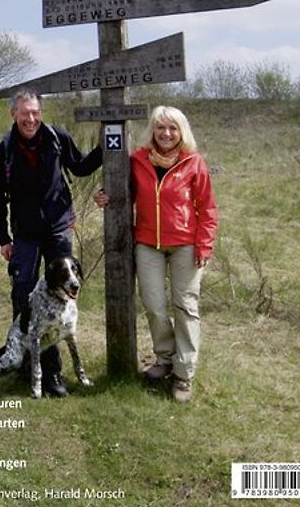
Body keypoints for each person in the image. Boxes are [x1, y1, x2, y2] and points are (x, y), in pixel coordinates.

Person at [95, 105, 218, 403]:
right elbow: (124, 193)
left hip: (186, 245)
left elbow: (207, 208)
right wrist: (105, 195)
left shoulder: (193, 162)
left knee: (185, 307)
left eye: (172, 128)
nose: (166, 133)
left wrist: (204, 244)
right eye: (160, 127)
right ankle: (164, 359)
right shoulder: (137, 160)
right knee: (154, 305)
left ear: (181, 131)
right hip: (148, 242)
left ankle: (183, 374)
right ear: (153, 130)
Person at [0, 89, 102, 397]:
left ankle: (52, 374)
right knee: (23, 292)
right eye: (25, 113)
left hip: (58, 226)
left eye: (35, 112)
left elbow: (80, 167)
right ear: (14, 115)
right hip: (24, 233)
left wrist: (109, 141)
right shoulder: (2, 153)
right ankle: (24, 361)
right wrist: (3, 238)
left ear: (41, 113)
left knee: (62, 295)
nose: (31, 118)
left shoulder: (57, 137)